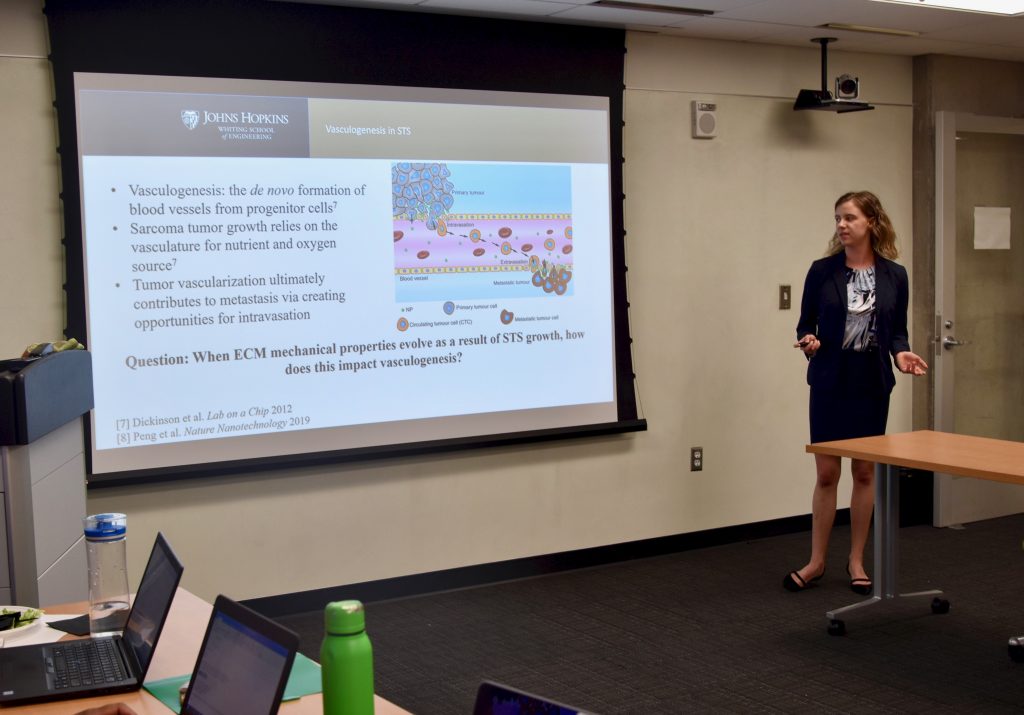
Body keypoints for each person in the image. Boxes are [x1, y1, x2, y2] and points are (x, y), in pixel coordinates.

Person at [784, 191, 928, 594]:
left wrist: (901, 354)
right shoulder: (822, 271)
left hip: (871, 383)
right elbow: (805, 323)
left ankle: (857, 559)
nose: (841, 225)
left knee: (864, 472)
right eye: (837, 219)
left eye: (849, 218)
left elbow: (897, 331)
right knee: (826, 473)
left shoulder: (895, 275)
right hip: (830, 380)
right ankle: (816, 562)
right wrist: (810, 341)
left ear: (871, 222)